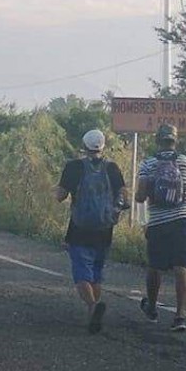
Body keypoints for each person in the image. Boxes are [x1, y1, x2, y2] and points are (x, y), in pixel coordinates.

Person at [55, 129, 127, 334]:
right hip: (105, 228)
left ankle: (93, 306)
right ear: (103, 146)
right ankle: (91, 314)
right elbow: (123, 194)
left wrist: (58, 190)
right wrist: (115, 211)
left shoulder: (74, 167)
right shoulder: (112, 168)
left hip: (80, 228)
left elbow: (60, 196)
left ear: (84, 146)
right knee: (96, 273)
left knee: (81, 273)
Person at [135, 124, 186, 332]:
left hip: (158, 221)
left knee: (155, 266)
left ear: (158, 140)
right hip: (183, 221)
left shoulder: (148, 164)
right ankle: (180, 316)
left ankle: (152, 308)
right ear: (175, 140)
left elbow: (140, 196)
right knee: (182, 267)